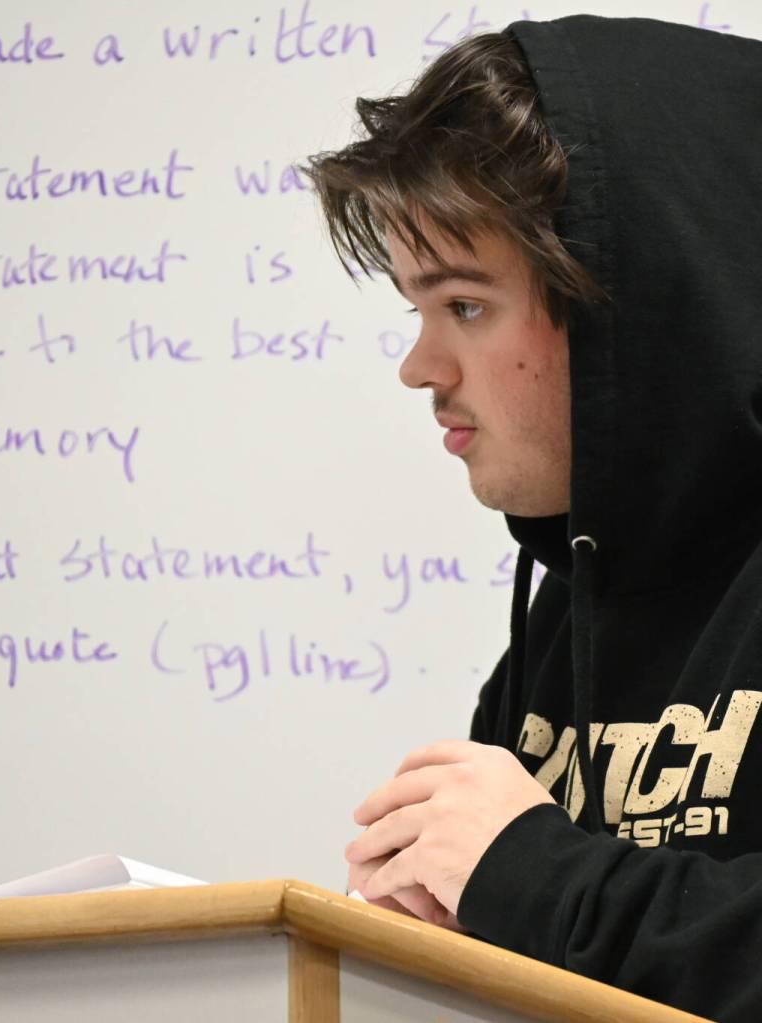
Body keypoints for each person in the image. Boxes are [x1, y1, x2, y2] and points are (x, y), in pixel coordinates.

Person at [304, 14, 762, 1022]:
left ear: (635, 303)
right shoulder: (568, 612)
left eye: (464, 306)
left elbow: (556, 894)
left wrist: (536, 881)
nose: (421, 367)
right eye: (417, 313)